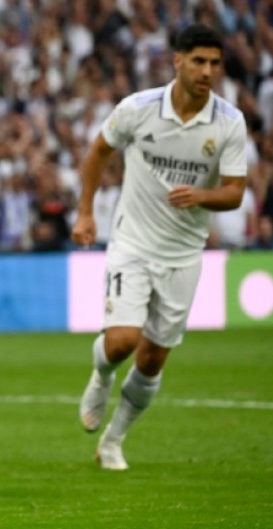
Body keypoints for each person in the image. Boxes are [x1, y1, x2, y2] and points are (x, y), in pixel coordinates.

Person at [71, 24, 247, 471]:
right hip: (132, 241)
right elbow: (97, 153)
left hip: (184, 253)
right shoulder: (138, 108)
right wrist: (86, 212)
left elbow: (234, 192)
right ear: (178, 60)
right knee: (121, 344)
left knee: (152, 359)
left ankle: (113, 441)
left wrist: (201, 196)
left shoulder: (229, 122)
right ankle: (101, 374)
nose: (207, 71)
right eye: (198, 61)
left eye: (214, 63)